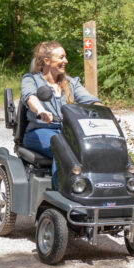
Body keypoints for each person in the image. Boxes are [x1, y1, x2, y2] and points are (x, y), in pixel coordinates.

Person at [21, 41, 100, 185]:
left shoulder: (71, 83)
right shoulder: (31, 79)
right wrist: (41, 111)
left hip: (67, 132)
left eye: (65, 57)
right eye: (61, 57)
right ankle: (63, 194)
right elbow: (30, 97)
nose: (66, 61)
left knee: (92, 147)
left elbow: (90, 100)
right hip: (39, 131)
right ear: (47, 61)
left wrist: (105, 112)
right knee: (62, 149)